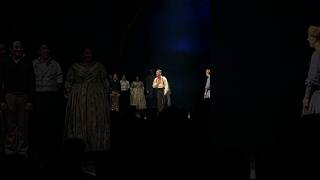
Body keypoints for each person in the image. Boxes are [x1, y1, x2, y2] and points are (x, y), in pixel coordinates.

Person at [64, 47, 110, 152]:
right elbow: (68, 83)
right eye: (85, 53)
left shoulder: (99, 67)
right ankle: (78, 147)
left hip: (96, 99)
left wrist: (103, 96)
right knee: (80, 119)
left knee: (94, 120)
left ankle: (95, 146)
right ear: (82, 55)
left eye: (89, 53)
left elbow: (105, 82)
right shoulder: (75, 67)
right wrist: (71, 98)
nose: (87, 55)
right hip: (79, 99)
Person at [0, 41, 35, 156]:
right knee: (10, 125)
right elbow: (1, 83)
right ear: (11, 49)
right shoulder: (5, 62)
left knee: (23, 125)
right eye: (16, 47)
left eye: (20, 47)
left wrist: (30, 100)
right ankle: (10, 150)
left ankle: (22, 150)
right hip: (9, 96)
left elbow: (31, 83)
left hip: (23, 96)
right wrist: (2, 100)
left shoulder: (27, 63)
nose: (18, 49)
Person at [32, 42, 63, 166]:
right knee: (39, 126)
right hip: (38, 97)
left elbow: (59, 81)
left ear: (49, 51)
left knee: (50, 126)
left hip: (51, 97)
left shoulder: (55, 64)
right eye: (42, 48)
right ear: (39, 51)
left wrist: (52, 90)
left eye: (47, 48)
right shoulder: (34, 64)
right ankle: (39, 154)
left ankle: (51, 155)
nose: (45, 51)